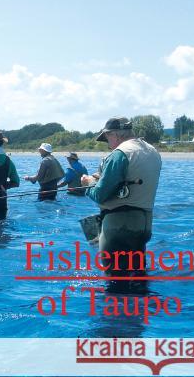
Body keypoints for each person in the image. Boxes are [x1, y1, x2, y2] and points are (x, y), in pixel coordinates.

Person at [81, 117, 162, 281]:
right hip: (143, 226)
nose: (108, 144)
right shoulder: (152, 151)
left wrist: (88, 183)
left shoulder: (119, 154)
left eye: (107, 138)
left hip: (119, 227)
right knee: (138, 277)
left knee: (114, 280)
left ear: (115, 135)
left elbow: (99, 195)